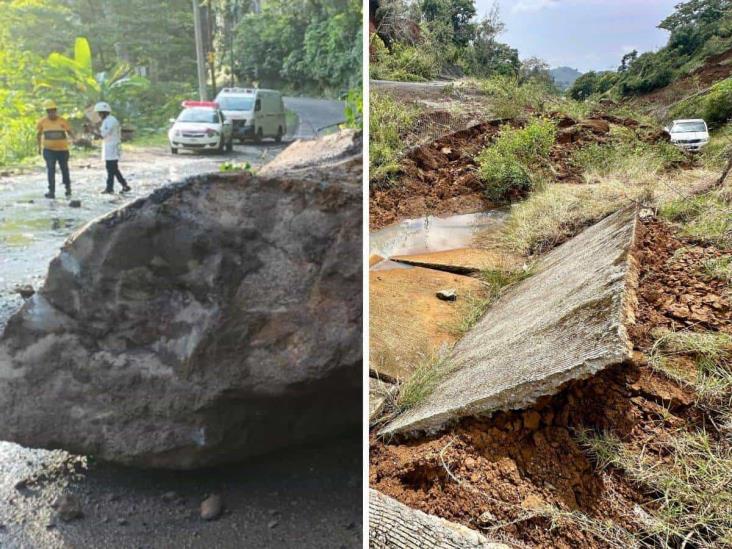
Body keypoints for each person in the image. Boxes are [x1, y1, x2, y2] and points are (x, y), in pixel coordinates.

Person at [36, 100, 74, 199]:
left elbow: (69, 132)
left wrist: (74, 140)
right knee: (51, 169)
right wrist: (39, 147)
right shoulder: (42, 122)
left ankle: (68, 188)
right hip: (49, 150)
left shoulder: (62, 121)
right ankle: (51, 191)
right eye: (49, 111)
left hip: (63, 150)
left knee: (64, 169)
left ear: (56, 111)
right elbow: (38, 134)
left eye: (53, 111)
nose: (51, 113)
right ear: (47, 112)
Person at [95, 101, 131, 194]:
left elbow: (103, 134)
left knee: (111, 168)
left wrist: (93, 130)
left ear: (103, 112)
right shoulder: (107, 120)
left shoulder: (111, 121)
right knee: (112, 168)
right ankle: (123, 185)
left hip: (112, 147)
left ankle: (111, 187)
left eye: (99, 113)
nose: (99, 115)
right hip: (109, 147)